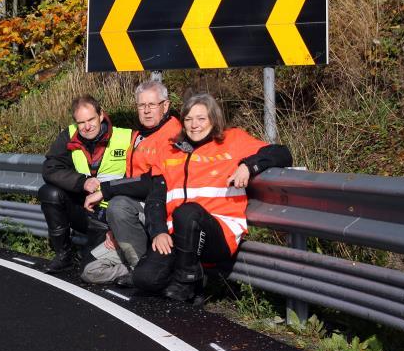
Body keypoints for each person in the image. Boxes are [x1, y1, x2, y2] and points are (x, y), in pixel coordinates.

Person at [134, 92, 292, 301]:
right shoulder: (170, 151)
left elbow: (282, 153)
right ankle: (192, 274)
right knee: (144, 279)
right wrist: (159, 232)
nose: (194, 125)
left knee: (187, 212)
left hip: (218, 234)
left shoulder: (232, 140)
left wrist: (248, 166)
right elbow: (155, 198)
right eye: (188, 119)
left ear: (213, 119)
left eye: (201, 118)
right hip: (177, 234)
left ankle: (187, 281)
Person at [83, 81, 181, 285]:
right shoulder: (140, 135)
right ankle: (138, 266)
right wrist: (117, 228)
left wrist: (105, 191)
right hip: (136, 210)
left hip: (160, 210)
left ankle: (143, 273)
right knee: (89, 268)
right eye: (141, 105)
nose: (146, 111)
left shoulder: (173, 136)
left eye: (152, 105)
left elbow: (151, 183)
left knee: (118, 205)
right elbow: (130, 179)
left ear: (165, 105)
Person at [39, 95, 132, 274]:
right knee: (49, 193)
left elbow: (138, 181)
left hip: (114, 215)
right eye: (81, 122)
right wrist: (81, 182)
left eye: (91, 119)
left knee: (88, 267)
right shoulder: (69, 135)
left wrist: (119, 226)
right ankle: (63, 256)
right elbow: (50, 168)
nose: (87, 126)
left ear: (101, 115)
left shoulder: (126, 137)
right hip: (86, 212)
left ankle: (136, 271)